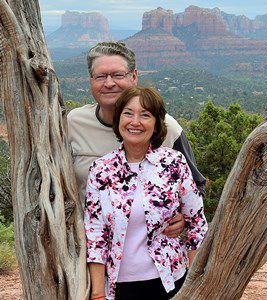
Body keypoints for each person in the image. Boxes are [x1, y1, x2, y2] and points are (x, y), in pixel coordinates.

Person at [67, 41, 206, 237]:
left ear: (134, 77)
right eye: (100, 76)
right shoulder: (74, 123)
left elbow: (196, 185)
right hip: (88, 245)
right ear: (91, 80)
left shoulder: (166, 127)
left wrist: (184, 217)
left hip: (151, 251)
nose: (109, 83)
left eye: (117, 75)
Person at [84, 87, 208, 300]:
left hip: (171, 282)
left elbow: (197, 225)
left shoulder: (174, 163)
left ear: (157, 124)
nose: (135, 121)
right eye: (128, 113)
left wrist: (196, 286)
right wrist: (97, 294)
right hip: (118, 287)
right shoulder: (101, 169)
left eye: (145, 115)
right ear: (119, 119)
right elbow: (95, 234)